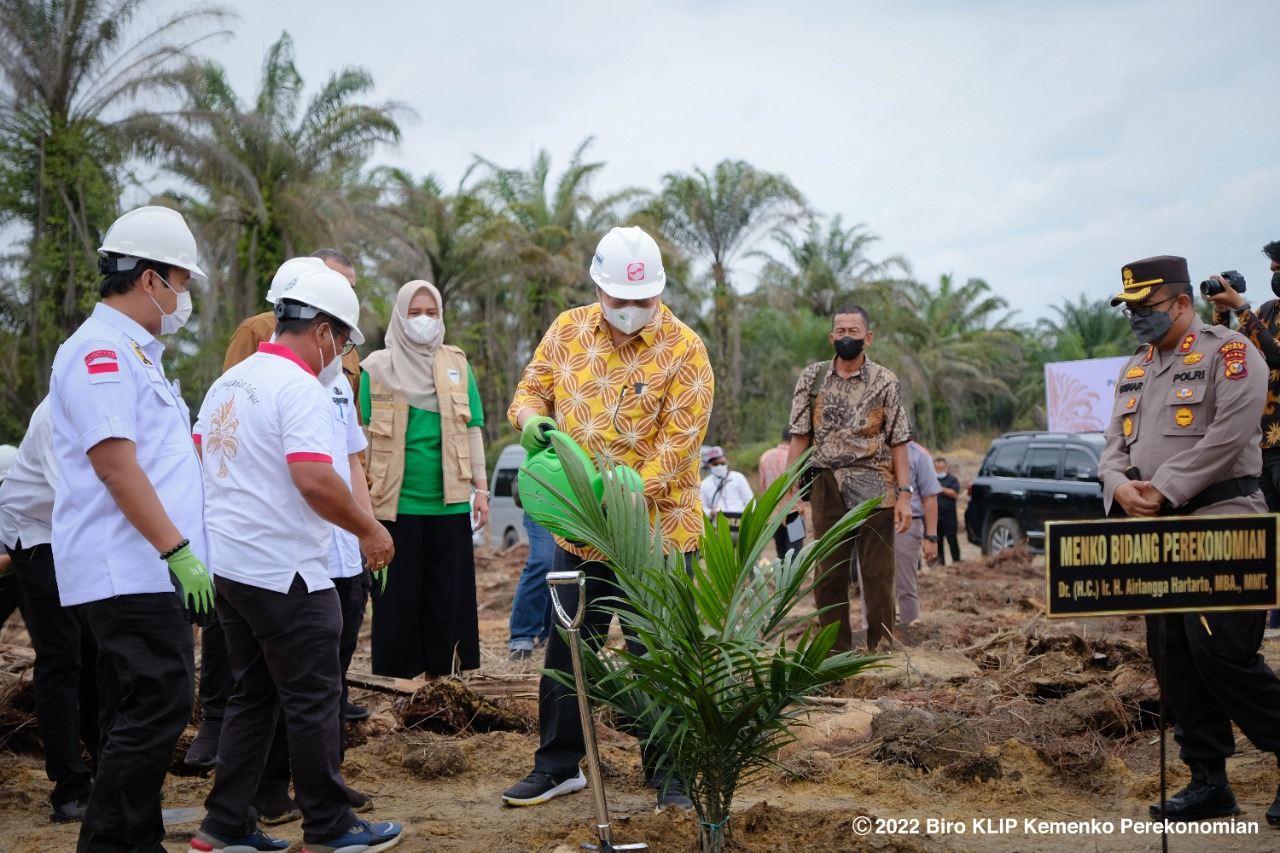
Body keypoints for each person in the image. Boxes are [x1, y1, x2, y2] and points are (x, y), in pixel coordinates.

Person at [191, 266, 403, 853]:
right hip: (288, 572)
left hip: (233, 568)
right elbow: (314, 478)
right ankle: (328, 827)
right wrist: (369, 530)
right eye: (345, 340)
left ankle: (224, 823)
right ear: (322, 332)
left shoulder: (230, 384)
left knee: (253, 696)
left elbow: (202, 464)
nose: (343, 353)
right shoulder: (299, 388)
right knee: (313, 701)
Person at [501, 225, 713, 809]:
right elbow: (528, 394)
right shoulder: (567, 331)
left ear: (659, 293)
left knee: (659, 654)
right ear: (598, 288)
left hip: (657, 535)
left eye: (642, 301)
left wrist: (611, 499)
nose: (630, 311)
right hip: (579, 533)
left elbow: (676, 452)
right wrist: (531, 424)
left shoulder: (686, 351)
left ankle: (670, 774)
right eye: (619, 299)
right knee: (569, 648)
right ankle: (558, 764)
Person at [49, 205, 216, 852]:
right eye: (183, 279)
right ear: (149, 279)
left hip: (143, 564)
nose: (187, 295)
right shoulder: (100, 352)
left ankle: (135, 840)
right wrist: (177, 550)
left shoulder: (137, 354)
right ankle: (110, 843)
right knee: (161, 702)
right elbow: (117, 466)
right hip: (130, 566)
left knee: (132, 710)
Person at [1101, 254, 1280, 826]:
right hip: (1158, 535)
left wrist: (1166, 489)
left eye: (1146, 307)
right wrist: (1119, 487)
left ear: (1182, 302)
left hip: (1223, 521)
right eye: (1129, 308)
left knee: (1223, 653)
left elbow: (1232, 434)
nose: (1137, 319)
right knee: (1173, 655)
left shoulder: (1229, 353)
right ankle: (1209, 781)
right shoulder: (1136, 367)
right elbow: (1112, 445)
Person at [361, 279, 488, 679]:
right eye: (414, 313)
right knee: (397, 604)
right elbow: (361, 438)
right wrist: (361, 507)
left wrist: (481, 489)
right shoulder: (376, 369)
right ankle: (401, 691)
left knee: (448, 603)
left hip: (448, 505)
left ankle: (444, 685)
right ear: (399, 316)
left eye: (431, 313)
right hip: (393, 507)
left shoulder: (456, 364)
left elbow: (473, 429)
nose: (423, 321)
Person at [786, 304, 913, 653]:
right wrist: (786, 493)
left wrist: (904, 495)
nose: (846, 338)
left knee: (877, 574)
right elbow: (799, 437)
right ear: (831, 337)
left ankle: (881, 650)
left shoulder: (885, 381)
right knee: (828, 573)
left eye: (853, 332)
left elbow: (899, 440)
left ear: (867, 338)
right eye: (840, 331)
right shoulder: (812, 379)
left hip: (875, 483)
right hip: (826, 483)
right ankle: (835, 652)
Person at [0, 401, 99, 824]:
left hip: (69, 538)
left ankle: (105, 768)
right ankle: (69, 789)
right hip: (35, 538)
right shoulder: (58, 413)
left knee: (94, 652)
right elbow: (78, 498)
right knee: (62, 658)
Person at [1203, 239, 1280, 633]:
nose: (1273, 274)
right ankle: (1268, 610)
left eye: (1278, 267)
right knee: (1264, 532)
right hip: (1263, 442)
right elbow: (1231, 352)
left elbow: (1277, 354)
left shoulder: (1257, 312)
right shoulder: (1266, 311)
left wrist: (1242, 309)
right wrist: (1222, 314)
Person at [891, 438, 940, 629]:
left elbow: (930, 498)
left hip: (907, 525)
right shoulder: (872, 449)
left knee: (905, 586)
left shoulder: (918, 455)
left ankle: (911, 634)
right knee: (871, 584)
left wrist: (931, 537)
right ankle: (874, 638)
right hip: (876, 522)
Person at [507, 511, 556, 661]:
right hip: (541, 499)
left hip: (579, 502)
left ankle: (551, 636)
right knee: (544, 560)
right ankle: (521, 637)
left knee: (562, 565)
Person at [758, 427, 802, 558]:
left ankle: (780, 578)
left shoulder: (765, 456)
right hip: (795, 514)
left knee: (781, 552)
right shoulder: (799, 457)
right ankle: (792, 579)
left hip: (773, 514)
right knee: (795, 552)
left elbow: (763, 486)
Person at [700, 445, 754, 541]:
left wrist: (748, 518)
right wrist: (710, 513)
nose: (719, 466)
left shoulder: (738, 478)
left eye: (722, 462)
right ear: (709, 464)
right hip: (719, 529)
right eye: (715, 464)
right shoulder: (705, 484)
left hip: (740, 526)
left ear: (727, 461)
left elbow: (750, 501)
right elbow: (702, 507)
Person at [932, 456, 962, 565]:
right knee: (938, 543)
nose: (939, 471)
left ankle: (957, 562)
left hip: (949, 517)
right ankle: (940, 564)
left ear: (946, 467)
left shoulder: (952, 480)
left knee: (952, 540)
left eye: (941, 468)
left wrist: (941, 488)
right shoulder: (931, 479)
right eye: (937, 469)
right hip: (936, 517)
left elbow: (955, 494)